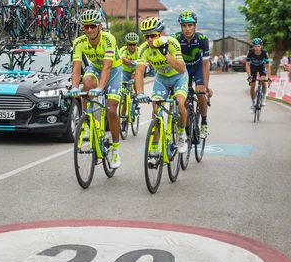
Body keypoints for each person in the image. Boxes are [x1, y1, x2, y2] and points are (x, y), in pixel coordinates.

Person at [67, 9, 123, 168]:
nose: (89, 30)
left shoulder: (109, 39)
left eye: (92, 26)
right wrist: (74, 87)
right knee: (87, 83)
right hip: (95, 68)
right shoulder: (79, 42)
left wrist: (101, 88)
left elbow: (107, 67)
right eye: (86, 27)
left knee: (112, 110)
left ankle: (116, 150)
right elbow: (77, 68)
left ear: (99, 26)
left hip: (114, 70)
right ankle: (87, 120)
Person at [135, 17, 188, 154]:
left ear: (161, 34)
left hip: (178, 78)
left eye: (152, 35)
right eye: (146, 36)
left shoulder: (172, 43)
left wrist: (166, 54)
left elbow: (181, 69)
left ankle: (182, 134)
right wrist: (140, 92)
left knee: (180, 104)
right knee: (156, 109)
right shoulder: (144, 48)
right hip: (162, 79)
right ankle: (154, 148)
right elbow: (139, 72)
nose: (149, 39)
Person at [172, 11, 212, 138]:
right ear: (181, 27)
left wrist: (206, 86)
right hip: (184, 70)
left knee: (200, 93)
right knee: (183, 102)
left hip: (197, 68)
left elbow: (206, 65)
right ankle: (188, 129)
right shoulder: (176, 39)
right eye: (184, 26)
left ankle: (204, 123)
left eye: (190, 25)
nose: (187, 29)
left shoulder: (202, 40)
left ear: (195, 26)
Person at [246, 38, 271, 112]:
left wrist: (269, 77)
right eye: (255, 46)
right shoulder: (250, 52)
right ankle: (253, 104)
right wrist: (249, 76)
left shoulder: (264, 53)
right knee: (252, 86)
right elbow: (247, 65)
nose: (257, 48)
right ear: (253, 46)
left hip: (261, 66)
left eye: (258, 46)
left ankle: (263, 97)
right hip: (253, 67)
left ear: (261, 47)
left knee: (263, 81)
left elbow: (268, 65)